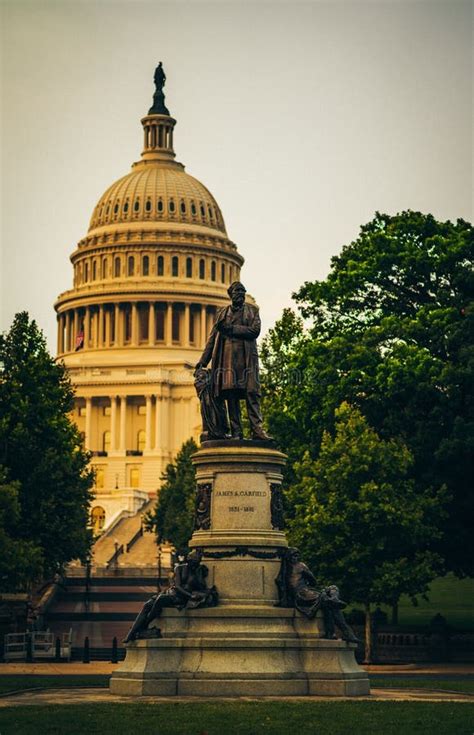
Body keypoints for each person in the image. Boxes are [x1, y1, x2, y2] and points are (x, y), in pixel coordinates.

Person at [195, 281, 271, 440]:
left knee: (252, 394)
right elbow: (212, 340)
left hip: (247, 359)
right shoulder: (222, 314)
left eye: (242, 292)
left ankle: (257, 430)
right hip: (227, 361)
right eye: (237, 292)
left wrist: (231, 329)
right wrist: (203, 361)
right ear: (230, 295)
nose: (240, 295)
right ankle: (237, 432)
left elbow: (254, 331)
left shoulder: (252, 311)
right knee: (232, 396)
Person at [123, 549, 218, 643]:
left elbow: (202, 586)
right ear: (189, 560)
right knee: (147, 604)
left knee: (160, 599)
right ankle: (131, 633)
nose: (195, 565)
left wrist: (199, 579)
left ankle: (143, 626)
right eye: (194, 562)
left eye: (197, 563)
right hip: (173, 593)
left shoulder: (197, 572)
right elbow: (177, 585)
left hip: (180, 598)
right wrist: (190, 595)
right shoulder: (179, 568)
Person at [276, 548, 359, 643]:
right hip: (303, 594)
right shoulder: (300, 566)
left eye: (297, 555)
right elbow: (313, 581)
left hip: (306, 593)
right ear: (289, 557)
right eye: (294, 555)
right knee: (329, 596)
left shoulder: (286, 568)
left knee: (331, 594)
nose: (296, 558)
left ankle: (332, 629)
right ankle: (345, 632)